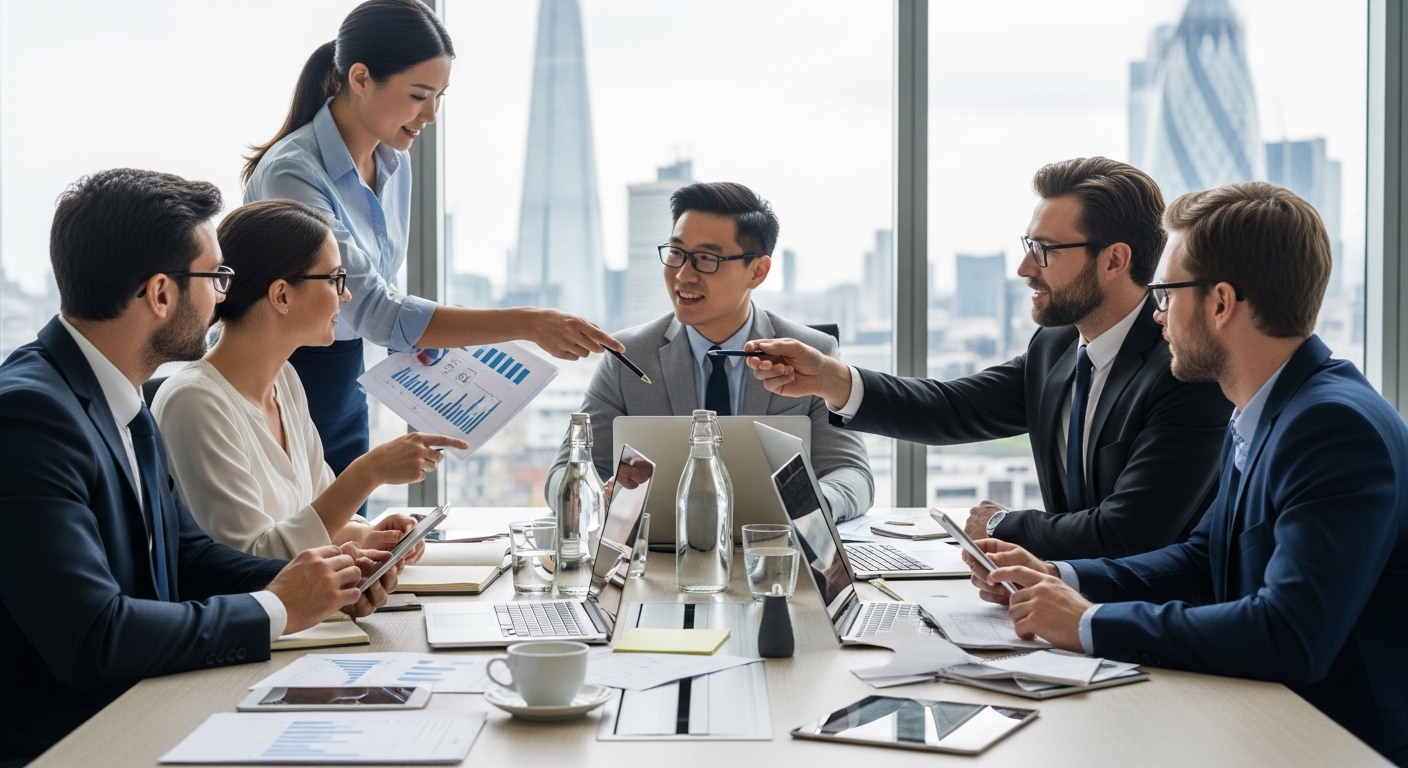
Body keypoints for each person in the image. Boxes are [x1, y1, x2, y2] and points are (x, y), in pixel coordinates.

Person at [964, 182, 1408, 765]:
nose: (1156, 313)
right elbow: (1203, 559)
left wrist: (1091, 623)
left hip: (1331, 742)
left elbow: (1289, 634)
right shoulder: (1266, 406)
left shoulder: (1331, 428)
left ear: (1221, 303)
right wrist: (1062, 576)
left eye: (1167, 293)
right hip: (1261, 716)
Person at [0, 169, 403, 762]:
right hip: (75, 740)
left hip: (147, 704)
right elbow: (93, 637)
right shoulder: (31, 416)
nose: (223, 295)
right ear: (161, 294)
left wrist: (323, 584)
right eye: (215, 277)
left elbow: (185, 557)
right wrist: (279, 606)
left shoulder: (122, 395)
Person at [747, 158, 1232, 558]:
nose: (1024, 268)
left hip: (1144, 620)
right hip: (1059, 598)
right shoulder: (1057, 345)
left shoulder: (1183, 369)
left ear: (1113, 260)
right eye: (1028, 246)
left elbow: (1129, 534)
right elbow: (952, 408)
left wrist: (1002, 524)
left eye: (1043, 250)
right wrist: (831, 379)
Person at [242, 0, 622, 500]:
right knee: (293, 551)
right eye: (419, 95)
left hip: (344, 377)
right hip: (277, 378)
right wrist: (529, 323)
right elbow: (376, 308)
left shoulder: (393, 164)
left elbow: (375, 298)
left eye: (440, 96)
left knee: (348, 544)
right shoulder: (292, 173)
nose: (431, 116)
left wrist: (421, 338)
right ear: (360, 78)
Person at [152, 200, 469, 559]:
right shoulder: (193, 402)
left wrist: (367, 536)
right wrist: (369, 471)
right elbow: (252, 560)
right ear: (282, 295)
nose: (346, 295)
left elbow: (316, 520)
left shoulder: (285, 380)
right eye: (335, 279)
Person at [545, 182, 873, 522]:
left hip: (773, 552)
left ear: (757, 271)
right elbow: (562, 475)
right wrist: (599, 496)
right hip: (660, 557)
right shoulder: (628, 357)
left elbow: (851, 472)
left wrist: (811, 510)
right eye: (676, 254)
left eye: (706, 259)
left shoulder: (813, 353)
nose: (683, 276)